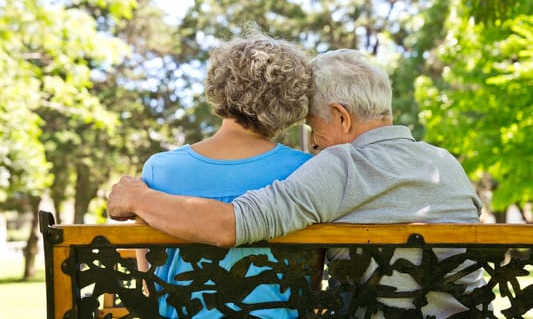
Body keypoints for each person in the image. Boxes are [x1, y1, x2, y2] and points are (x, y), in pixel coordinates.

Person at [108, 49, 484, 318]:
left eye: (312, 127)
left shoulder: (342, 166)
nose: (314, 142)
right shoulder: (445, 163)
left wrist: (139, 196)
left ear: (341, 117)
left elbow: (228, 224)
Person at [133, 33, 314, 318]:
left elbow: (150, 282)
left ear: (220, 86)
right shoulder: (306, 169)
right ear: (292, 99)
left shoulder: (160, 169)